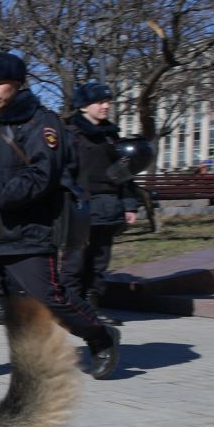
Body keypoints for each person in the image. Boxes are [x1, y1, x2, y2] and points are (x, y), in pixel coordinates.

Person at [0, 53, 121, 384]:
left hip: (27, 232)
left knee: (51, 298)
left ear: (16, 84)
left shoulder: (41, 123)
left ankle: (100, 337)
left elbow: (41, 177)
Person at [66, 81, 139, 318]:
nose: (106, 106)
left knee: (99, 262)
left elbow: (124, 174)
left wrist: (129, 205)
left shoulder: (111, 136)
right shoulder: (70, 135)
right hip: (79, 208)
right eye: (100, 102)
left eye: (108, 102)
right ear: (84, 106)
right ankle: (72, 308)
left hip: (108, 208)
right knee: (75, 261)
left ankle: (92, 308)